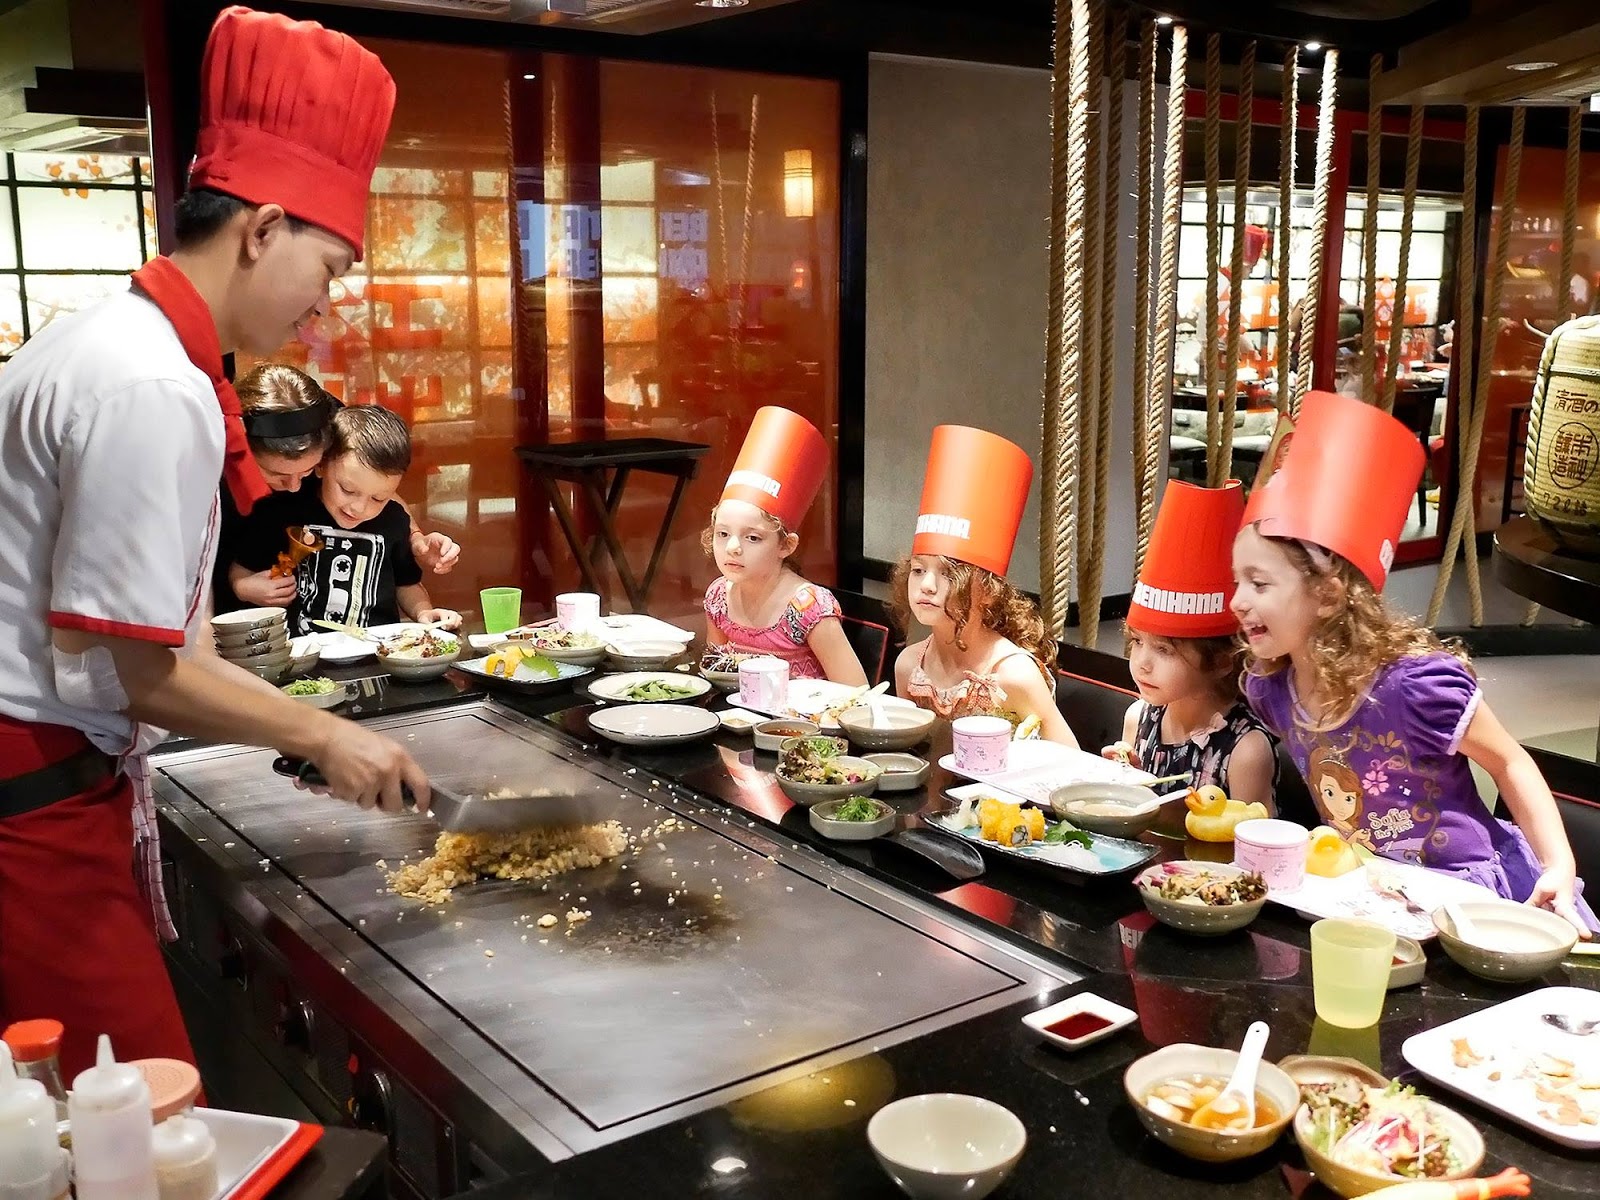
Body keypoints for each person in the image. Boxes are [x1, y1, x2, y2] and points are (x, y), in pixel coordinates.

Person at [0, 6, 430, 1079]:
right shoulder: (151, 383)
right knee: (135, 1108)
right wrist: (326, 737)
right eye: (329, 268)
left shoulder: (99, 338)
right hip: (30, 795)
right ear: (263, 229)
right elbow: (142, 670)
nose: (324, 305)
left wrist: (292, 730)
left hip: (42, 778)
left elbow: (160, 647)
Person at [1232, 390, 1595, 936]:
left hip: (1474, 897)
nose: (1237, 600)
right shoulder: (1274, 690)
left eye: (1259, 583)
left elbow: (1510, 762)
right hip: (1378, 898)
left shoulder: (1414, 688)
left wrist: (1559, 866)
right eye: (1236, 580)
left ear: (1328, 595)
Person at [216, 363, 460, 613]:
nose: (294, 487)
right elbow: (232, 565)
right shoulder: (218, 469)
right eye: (278, 475)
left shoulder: (336, 427)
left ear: (324, 459)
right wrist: (240, 586)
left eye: (307, 471)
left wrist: (416, 539)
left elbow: (376, 487)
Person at [892, 426, 1077, 747]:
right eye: (918, 570)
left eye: (949, 574)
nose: (927, 585)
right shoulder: (909, 666)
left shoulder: (1013, 675)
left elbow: (1071, 760)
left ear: (989, 591)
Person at [1107, 480, 1276, 810]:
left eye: (1165, 650)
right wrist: (1123, 787)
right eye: (1137, 641)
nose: (1142, 662)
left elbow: (1255, 839)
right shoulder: (1138, 719)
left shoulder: (1245, 749)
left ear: (1222, 661)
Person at [703, 407, 865, 683]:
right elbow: (715, 671)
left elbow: (857, 691)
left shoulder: (808, 608)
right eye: (723, 533)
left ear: (786, 546)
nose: (733, 547)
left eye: (752, 538)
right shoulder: (719, 597)